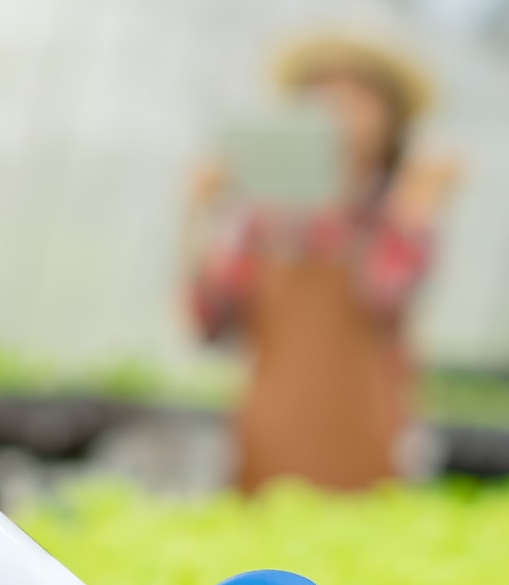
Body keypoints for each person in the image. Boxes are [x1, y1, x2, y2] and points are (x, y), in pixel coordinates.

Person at [186, 34, 456, 492]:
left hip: (368, 430)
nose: (338, 113)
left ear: (392, 121)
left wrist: (414, 212)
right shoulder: (262, 219)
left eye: (359, 99)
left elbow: (386, 294)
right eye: (323, 97)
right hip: (268, 428)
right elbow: (210, 322)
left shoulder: (394, 213)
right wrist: (198, 216)